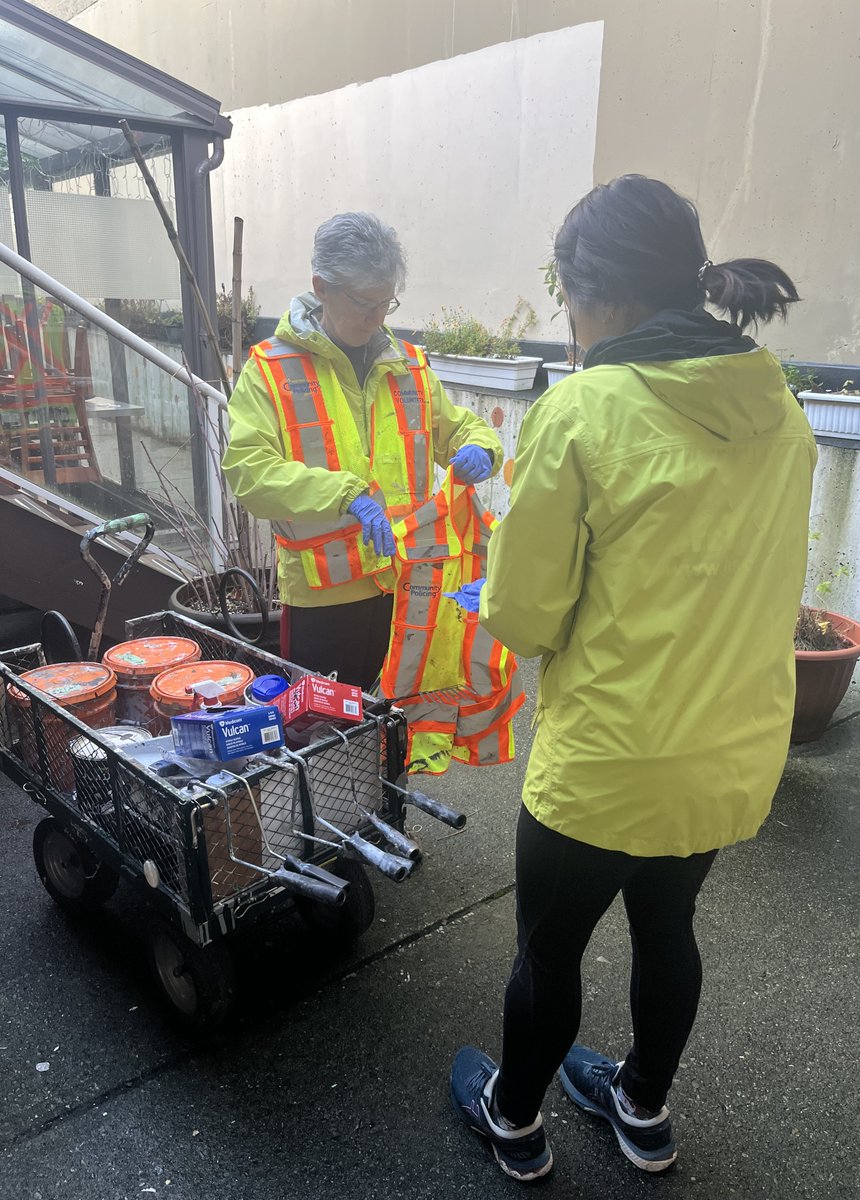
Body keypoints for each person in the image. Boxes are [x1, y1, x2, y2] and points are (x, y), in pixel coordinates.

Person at [450, 175, 816, 1182]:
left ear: (594, 294)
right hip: (730, 753)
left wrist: (495, 581)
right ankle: (642, 1108)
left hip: (607, 764)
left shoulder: (584, 411)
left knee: (548, 952)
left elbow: (525, 617)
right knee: (669, 929)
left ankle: (514, 1122)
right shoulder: (778, 402)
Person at [222, 212, 502, 688]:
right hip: (323, 598)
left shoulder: (407, 366)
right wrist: (346, 494)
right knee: (327, 738)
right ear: (321, 287)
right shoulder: (271, 369)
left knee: (400, 724)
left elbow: (456, 429)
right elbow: (249, 473)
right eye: (362, 303)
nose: (375, 319)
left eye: (386, 303)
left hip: (409, 585)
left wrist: (483, 447)